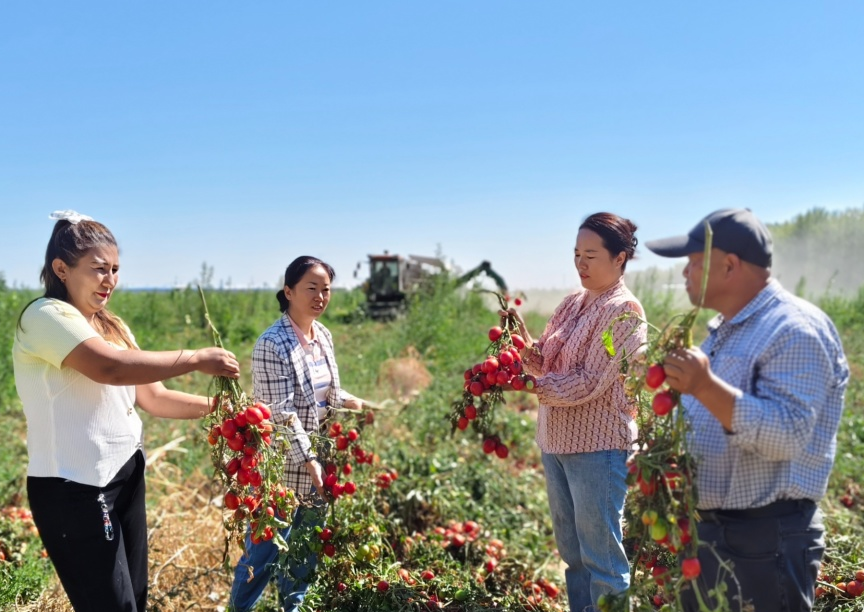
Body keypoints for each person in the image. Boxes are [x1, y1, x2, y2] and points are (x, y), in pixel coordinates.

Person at [12, 210, 240, 612]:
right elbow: (111, 369)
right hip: (76, 488)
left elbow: (154, 399)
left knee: (134, 599)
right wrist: (196, 358)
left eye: (115, 269)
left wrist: (229, 410)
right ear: (61, 268)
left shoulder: (111, 325)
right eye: (99, 269)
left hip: (126, 474)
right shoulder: (45, 316)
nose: (110, 280)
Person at [645, 208, 849, 612]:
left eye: (694, 262)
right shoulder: (727, 330)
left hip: (766, 541)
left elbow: (787, 435)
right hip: (714, 536)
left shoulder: (793, 329)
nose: (685, 273)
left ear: (729, 265)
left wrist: (704, 385)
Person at [502, 213, 646, 612]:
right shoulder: (571, 303)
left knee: (602, 557)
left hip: (599, 447)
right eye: (576, 254)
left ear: (619, 259)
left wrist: (533, 386)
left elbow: (589, 380)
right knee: (573, 553)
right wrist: (518, 343)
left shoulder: (624, 312)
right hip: (557, 442)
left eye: (591, 255)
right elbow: (544, 360)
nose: (581, 263)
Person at [229, 255, 364, 612]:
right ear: (288, 291)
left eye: (326, 289)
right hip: (284, 468)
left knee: (304, 551)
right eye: (311, 288)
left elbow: (327, 393)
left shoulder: (323, 336)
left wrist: (354, 402)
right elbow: (281, 413)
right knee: (263, 554)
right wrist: (310, 461)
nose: (320, 296)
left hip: (318, 461)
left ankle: (295, 608)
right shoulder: (272, 344)